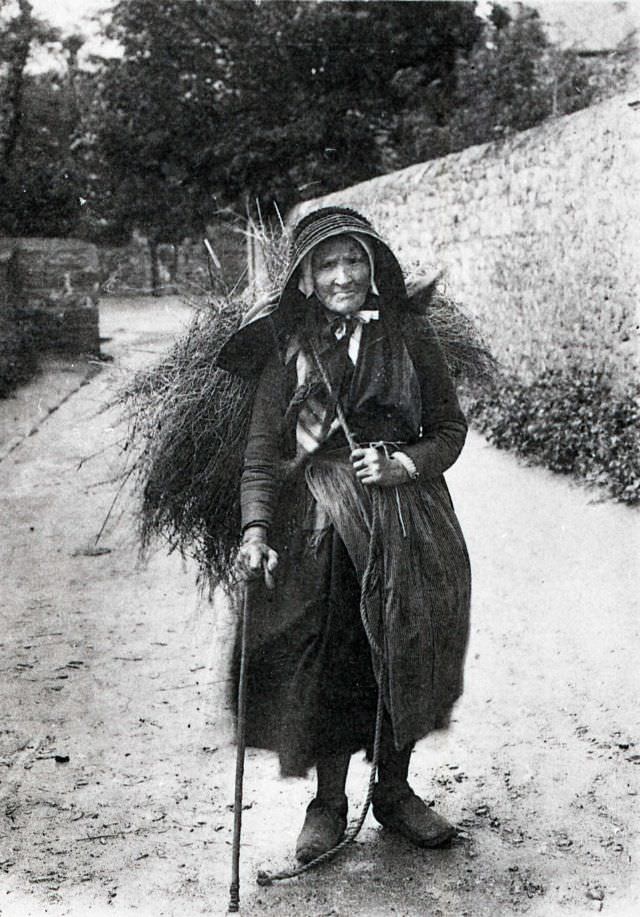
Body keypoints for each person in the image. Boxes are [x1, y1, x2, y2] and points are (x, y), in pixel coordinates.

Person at [219, 205, 471, 864]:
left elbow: (449, 429)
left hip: (407, 519)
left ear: (374, 264)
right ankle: (328, 803)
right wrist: (254, 529)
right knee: (332, 651)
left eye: (353, 259)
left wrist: (402, 463)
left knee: (405, 641)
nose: (342, 275)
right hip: (321, 529)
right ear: (304, 277)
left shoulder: (409, 336)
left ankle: (393, 792)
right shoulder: (290, 351)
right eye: (326, 263)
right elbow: (259, 454)